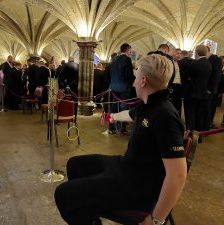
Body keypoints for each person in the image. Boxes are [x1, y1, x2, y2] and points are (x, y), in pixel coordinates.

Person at [54, 54, 187, 225]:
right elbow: (131, 115)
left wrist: (156, 219)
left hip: (137, 185)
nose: (133, 81)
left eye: (136, 76)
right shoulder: (150, 103)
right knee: (75, 164)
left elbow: (177, 175)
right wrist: (112, 116)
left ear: (143, 80)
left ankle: (88, 210)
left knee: (64, 195)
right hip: (127, 166)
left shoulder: (165, 116)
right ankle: (90, 213)